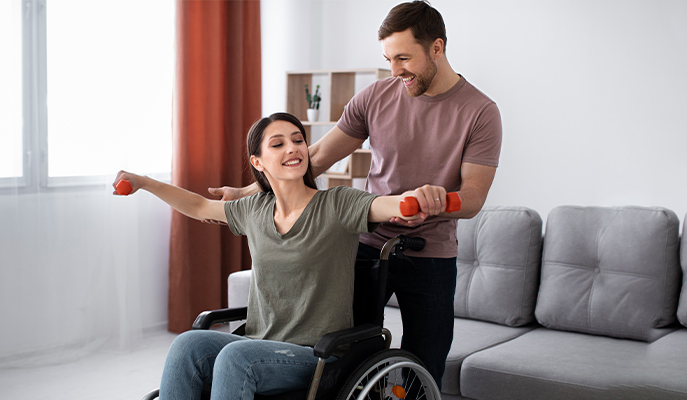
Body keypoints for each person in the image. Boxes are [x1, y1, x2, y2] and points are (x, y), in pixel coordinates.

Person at [208, 1, 502, 389]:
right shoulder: (376, 96)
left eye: (403, 58)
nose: (395, 71)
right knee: (348, 354)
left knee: (426, 362)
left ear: (437, 47)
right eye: (388, 59)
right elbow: (316, 158)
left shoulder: (480, 111)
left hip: (430, 254)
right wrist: (247, 190)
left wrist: (440, 200)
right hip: (366, 245)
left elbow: (474, 197)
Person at [115, 112, 442, 400]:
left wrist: (416, 199)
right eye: (278, 143)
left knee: (235, 357)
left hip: (315, 355)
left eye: (298, 140)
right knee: (187, 345)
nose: (293, 148)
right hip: (259, 342)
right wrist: (144, 183)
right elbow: (200, 206)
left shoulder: (337, 204)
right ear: (258, 162)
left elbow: (388, 205)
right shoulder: (253, 209)